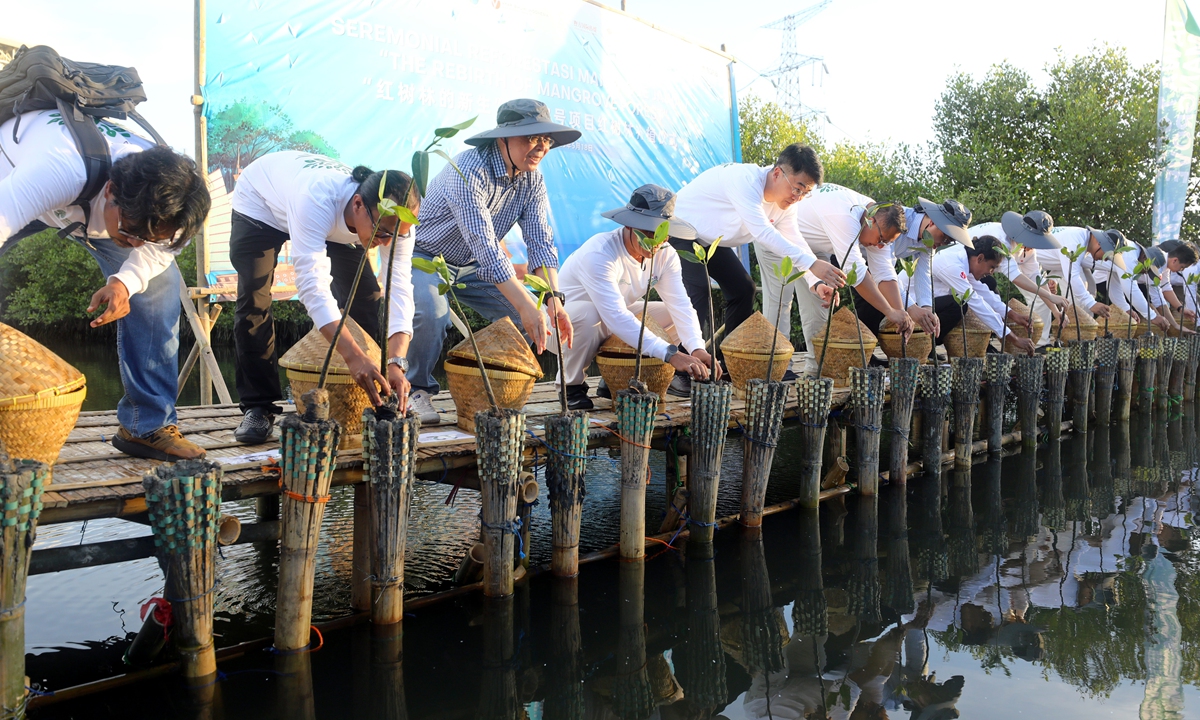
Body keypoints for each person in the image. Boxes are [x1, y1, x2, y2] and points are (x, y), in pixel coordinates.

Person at [0, 108, 212, 461]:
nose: (135, 245)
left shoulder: (178, 209)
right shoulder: (56, 170)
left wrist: (124, 283)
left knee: (159, 285)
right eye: (129, 233)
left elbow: (155, 251)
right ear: (112, 192)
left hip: (89, 210)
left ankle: (147, 426)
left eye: (150, 238)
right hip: (13, 178)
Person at [228, 153, 418, 443]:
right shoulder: (316, 199)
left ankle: (369, 394)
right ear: (358, 205)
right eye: (381, 234)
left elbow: (400, 288)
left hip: (332, 217)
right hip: (261, 205)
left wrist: (395, 362)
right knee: (255, 299)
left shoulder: (397, 222)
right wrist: (354, 356)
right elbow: (313, 287)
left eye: (396, 236)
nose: (387, 243)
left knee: (366, 297)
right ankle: (258, 406)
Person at [407, 99, 577, 424]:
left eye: (546, 140)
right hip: (427, 256)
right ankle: (418, 390)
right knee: (432, 312)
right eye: (531, 138)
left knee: (525, 315)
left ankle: (493, 391)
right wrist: (528, 305)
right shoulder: (468, 170)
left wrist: (552, 300)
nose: (540, 147)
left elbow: (540, 241)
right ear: (502, 139)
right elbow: (486, 246)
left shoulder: (533, 180)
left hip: (473, 266)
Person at [672, 144, 844, 365]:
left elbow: (795, 241)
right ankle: (683, 368)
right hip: (681, 229)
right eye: (797, 188)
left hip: (710, 240)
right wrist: (812, 263)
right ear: (777, 173)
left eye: (805, 193)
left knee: (743, 290)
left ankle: (728, 364)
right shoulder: (745, 181)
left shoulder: (786, 206)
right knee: (698, 290)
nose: (797, 197)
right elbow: (763, 233)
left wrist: (816, 281)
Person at [554, 185, 717, 410]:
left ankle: (617, 375)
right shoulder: (600, 253)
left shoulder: (665, 254)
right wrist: (671, 354)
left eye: (662, 232)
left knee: (670, 315)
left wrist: (696, 349)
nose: (657, 241)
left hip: (610, 320)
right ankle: (570, 387)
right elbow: (615, 317)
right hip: (564, 328)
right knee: (591, 313)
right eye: (649, 232)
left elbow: (681, 305)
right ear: (630, 225)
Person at [792, 185, 914, 374]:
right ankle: (777, 370)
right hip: (782, 235)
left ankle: (816, 371)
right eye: (881, 240)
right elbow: (856, 274)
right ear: (871, 221)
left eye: (887, 243)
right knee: (780, 304)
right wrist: (889, 311)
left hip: (815, 246)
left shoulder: (876, 220)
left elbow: (884, 272)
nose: (881, 247)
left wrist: (900, 312)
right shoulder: (845, 217)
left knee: (819, 304)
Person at [857, 197, 976, 338]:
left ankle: (866, 351)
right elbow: (885, 271)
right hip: (854, 256)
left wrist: (927, 309)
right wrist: (911, 308)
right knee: (875, 299)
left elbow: (923, 274)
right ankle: (861, 348)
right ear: (933, 222)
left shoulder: (927, 241)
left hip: (877, 267)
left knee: (882, 298)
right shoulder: (897, 221)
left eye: (948, 242)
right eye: (944, 238)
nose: (942, 244)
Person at [924, 235, 1036, 353]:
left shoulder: (965, 261)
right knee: (959, 305)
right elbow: (976, 302)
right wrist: (1013, 338)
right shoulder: (953, 266)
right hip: (916, 305)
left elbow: (984, 293)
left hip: (932, 301)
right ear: (980, 258)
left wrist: (1013, 315)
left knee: (988, 284)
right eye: (991, 267)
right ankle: (927, 346)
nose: (991, 272)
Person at [970, 211, 1067, 346]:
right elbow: (1015, 277)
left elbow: (1036, 278)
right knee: (988, 293)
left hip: (978, 276)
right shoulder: (1001, 240)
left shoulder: (1028, 250)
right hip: (962, 270)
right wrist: (1050, 296)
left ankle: (984, 344)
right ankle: (981, 343)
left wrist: (1056, 312)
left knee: (992, 296)